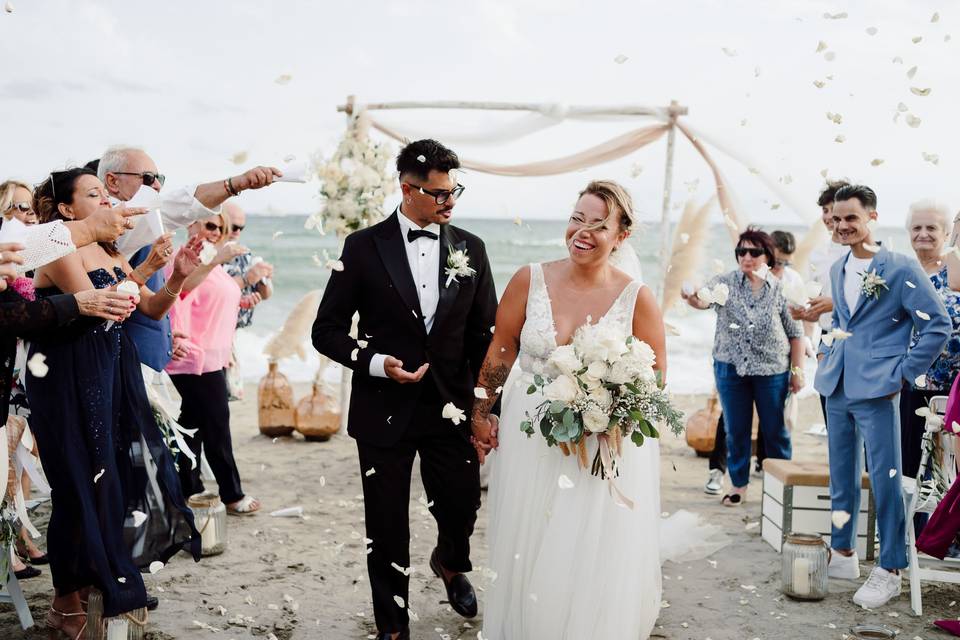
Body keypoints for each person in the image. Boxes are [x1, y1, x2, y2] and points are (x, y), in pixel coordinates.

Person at [312, 139, 497, 640]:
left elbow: (486, 336)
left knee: (461, 505)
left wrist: (484, 406)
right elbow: (325, 331)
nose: (450, 203)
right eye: (439, 194)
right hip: (382, 408)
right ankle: (393, 627)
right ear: (406, 189)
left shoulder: (471, 249)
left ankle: (450, 561)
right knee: (387, 526)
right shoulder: (362, 247)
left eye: (454, 191)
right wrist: (374, 363)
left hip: (450, 407)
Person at [472, 180, 664, 639]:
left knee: (587, 539)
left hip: (598, 439)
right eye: (578, 218)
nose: (583, 231)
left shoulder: (636, 297)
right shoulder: (529, 279)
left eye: (599, 224)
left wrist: (610, 410)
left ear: (621, 236)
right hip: (527, 430)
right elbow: (501, 350)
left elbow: (654, 381)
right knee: (529, 533)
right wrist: (480, 412)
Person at [27, 168, 202, 635]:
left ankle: (90, 588)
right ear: (66, 210)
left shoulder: (107, 250)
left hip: (103, 370)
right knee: (76, 486)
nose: (106, 200)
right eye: (93, 194)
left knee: (105, 481)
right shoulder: (57, 247)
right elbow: (94, 304)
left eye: (105, 193)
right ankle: (65, 601)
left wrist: (178, 276)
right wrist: (131, 279)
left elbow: (147, 307)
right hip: (65, 374)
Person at [815, 184, 950, 609]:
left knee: (887, 479)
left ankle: (890, 567)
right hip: (835, 383)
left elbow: (937, 326)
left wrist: (903, 373)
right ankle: (843, 553)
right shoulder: (838, 268)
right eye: (836, 219)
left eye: (850, 218)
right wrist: (824, 352)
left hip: (879, 387)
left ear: (871, 218)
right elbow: (840, 318)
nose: (841, 226)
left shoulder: (900, 266)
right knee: (842, 474)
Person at [93, 146, 280, 375]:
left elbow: (153, 306)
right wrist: (235, 184)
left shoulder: (139, 230)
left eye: (160, 178)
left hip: (144, 355)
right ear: (112, 182)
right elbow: (179, 206)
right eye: (149, 178)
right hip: (105, 355)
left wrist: (179, 276)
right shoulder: (106, 228)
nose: (158, 185)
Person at [684, 228, 804, 506]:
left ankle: (780, 488)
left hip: (772, 371)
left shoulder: (781, 290)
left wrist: (797, 373)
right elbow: (704, 299)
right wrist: (691, 297)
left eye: (754, 252)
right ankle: (739, 485)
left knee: (775, 432)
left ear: (768, 256)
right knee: (736, 430)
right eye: (741, 251)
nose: (746, 257)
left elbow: (796, 333)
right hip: (731, 369)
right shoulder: (725, 282)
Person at [164, 211, 260, 516]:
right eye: (209, 225)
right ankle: (232, 494)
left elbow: (215, 302)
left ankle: (185, 489)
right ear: (191, 224)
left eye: (220, 227)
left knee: (192, 424)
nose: (216, 231)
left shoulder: (209, 261)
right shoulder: (189, 258)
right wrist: (217, 258)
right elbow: (182, 291)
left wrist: (247, 298)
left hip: (215, 355)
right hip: (194, 355)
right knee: (217, 425)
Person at [900, 200, 960, 478]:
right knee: (910, 467)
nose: (923, 233)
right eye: (916, 227)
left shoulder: (956, 273)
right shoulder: (901, 273)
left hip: (951, 388)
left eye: (931, 227)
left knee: (946, 472)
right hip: (907, 384)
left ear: (947, 233)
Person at [793, 180, 851, 420]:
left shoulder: (862, 252)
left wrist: (834, 304)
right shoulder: (818, 254)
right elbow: (816, 302)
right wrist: (807, 315)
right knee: (831, 409)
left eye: (833, 210)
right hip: (826, 339)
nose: (829, 217)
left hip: (857, 338)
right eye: (825, 211)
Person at [221, 200, 273, 400]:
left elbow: (266, 294)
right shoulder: (207, 253)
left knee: (224, 395)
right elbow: (210, 289)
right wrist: (246, 279)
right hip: (211, 332)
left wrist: (263, 279)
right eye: (233, 226)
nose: (236, 232)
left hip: (232, 332)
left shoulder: (244, 254)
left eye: (241, 228)